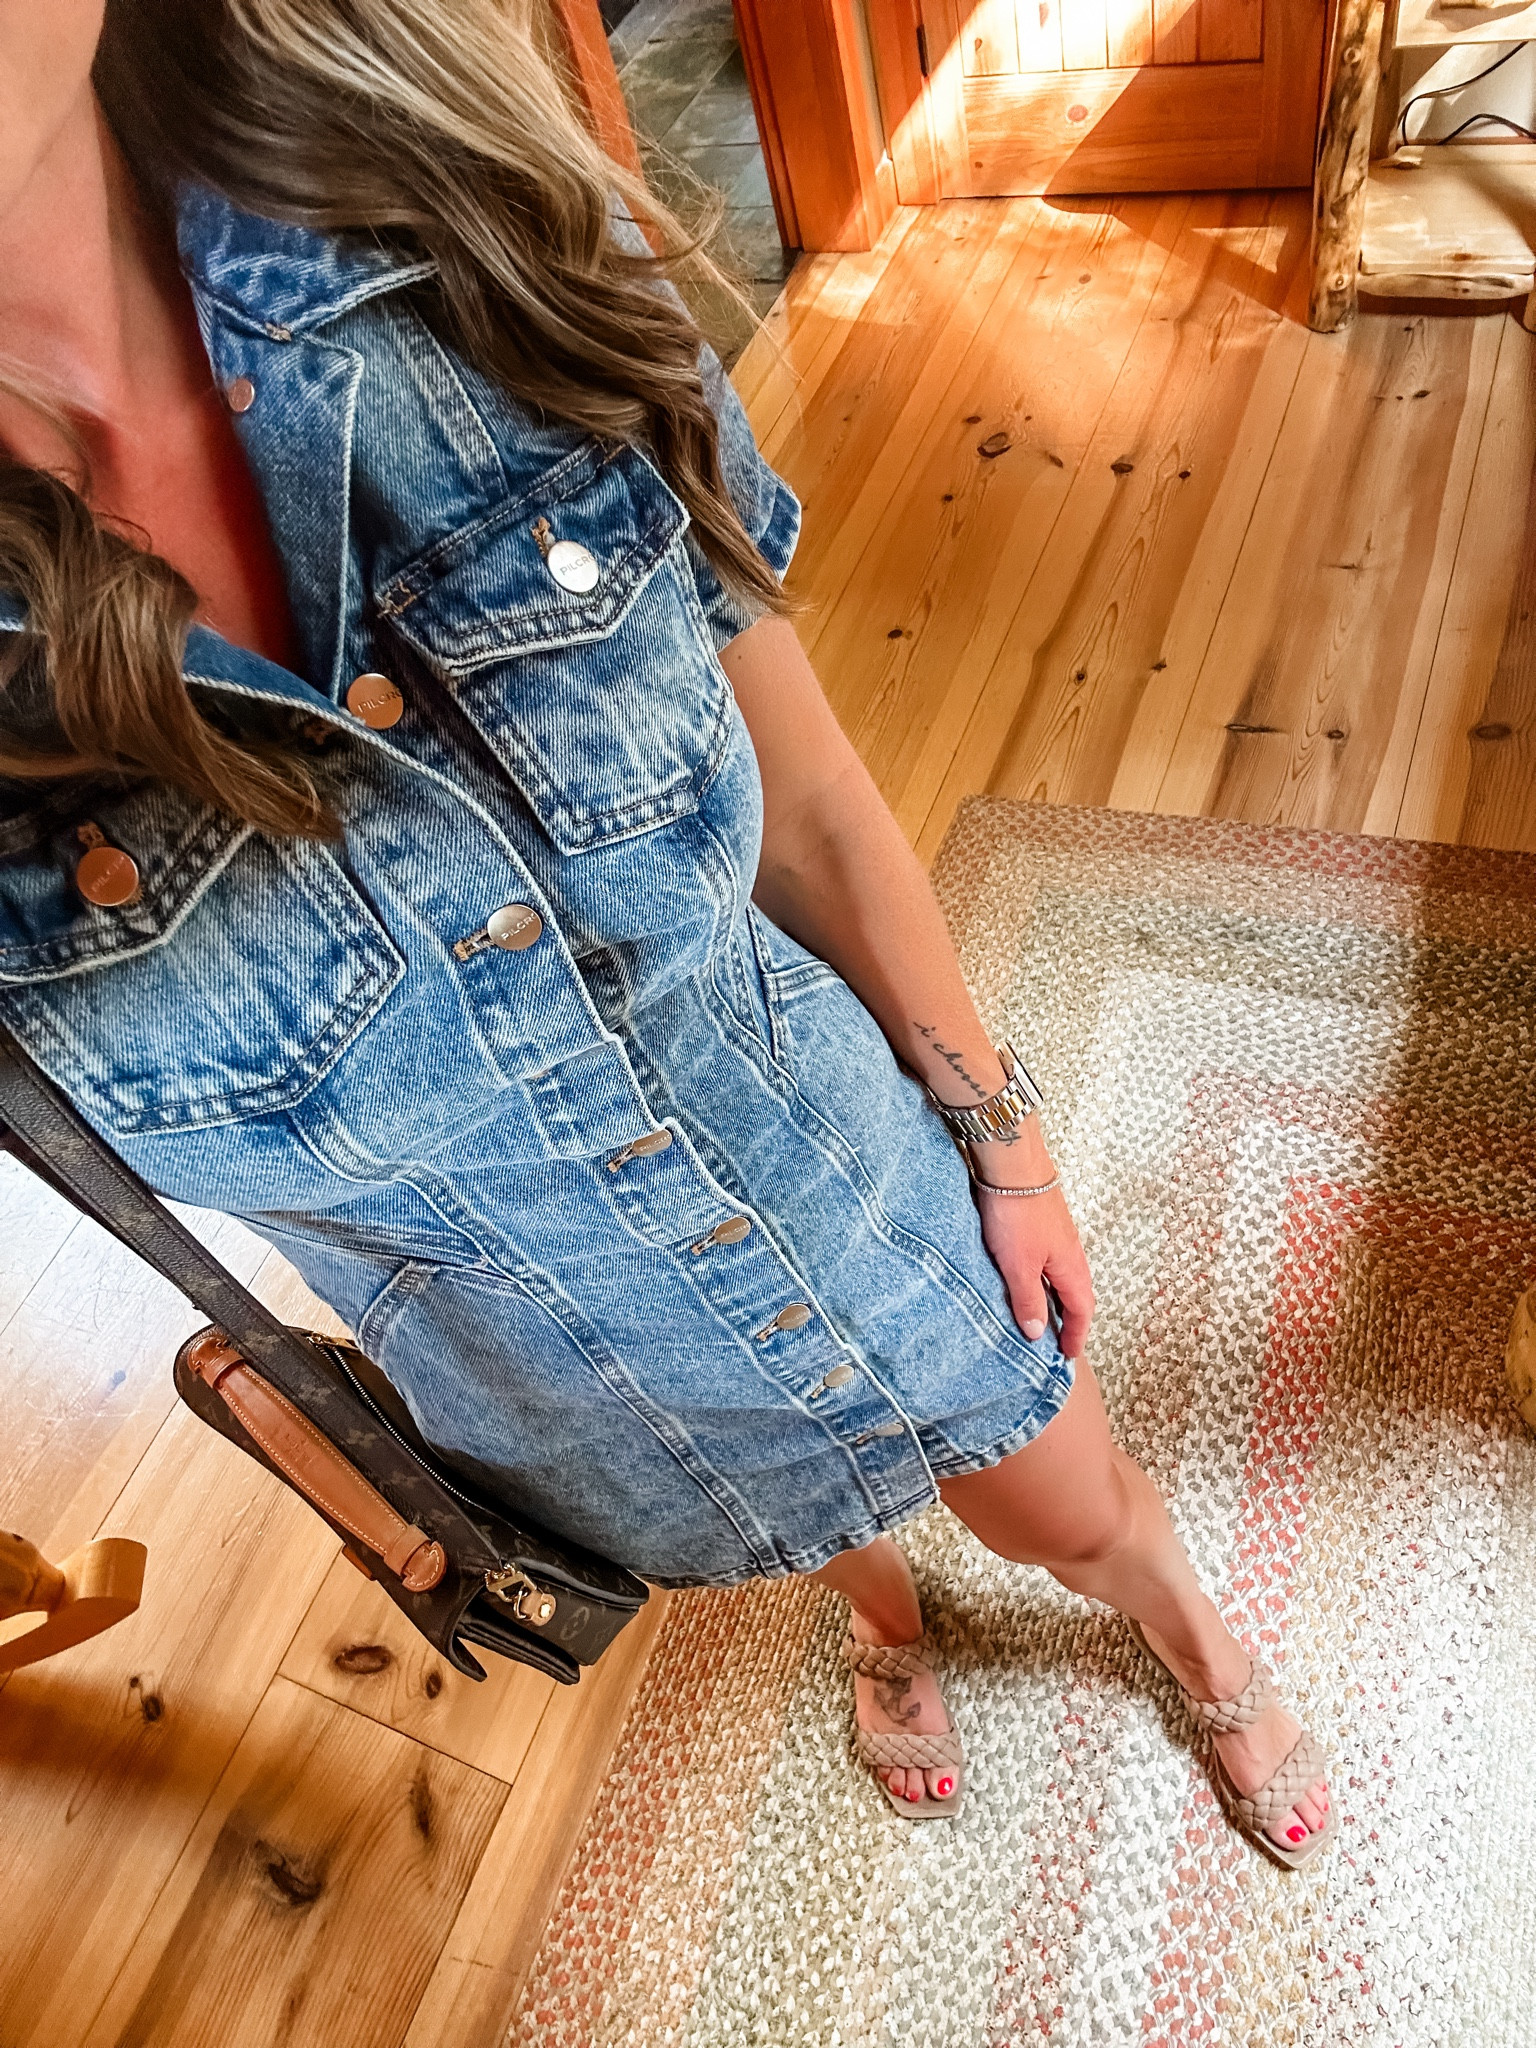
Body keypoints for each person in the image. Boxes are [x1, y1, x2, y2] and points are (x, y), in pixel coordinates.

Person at [0, 0, 1330, 1860]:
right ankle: (882, 1620)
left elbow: (813, 805)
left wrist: (1000, 1142)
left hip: (856, 1191)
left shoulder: (482, 219)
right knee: (826, 1541)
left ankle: (1187, 1635)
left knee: (1076, 1509)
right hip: (566, 1388)